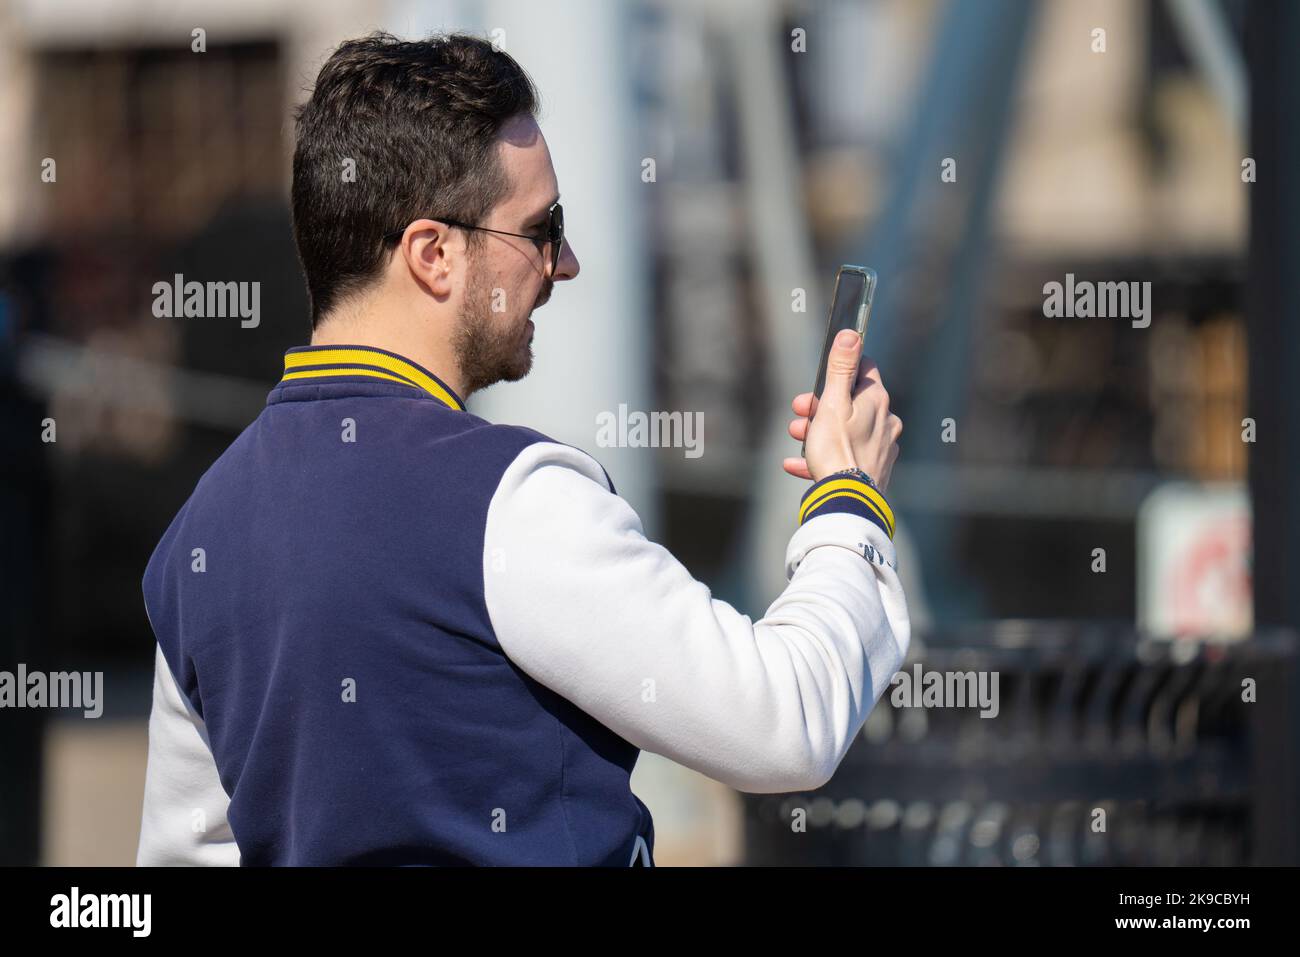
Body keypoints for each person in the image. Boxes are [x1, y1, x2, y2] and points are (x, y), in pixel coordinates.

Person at [136, 31, 907, 867]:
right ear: (434, 255)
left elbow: (180, 858)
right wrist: (848, 502)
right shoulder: (514, 501)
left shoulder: (198, 535)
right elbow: (785, 723)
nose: (565, 263)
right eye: (542, 228)